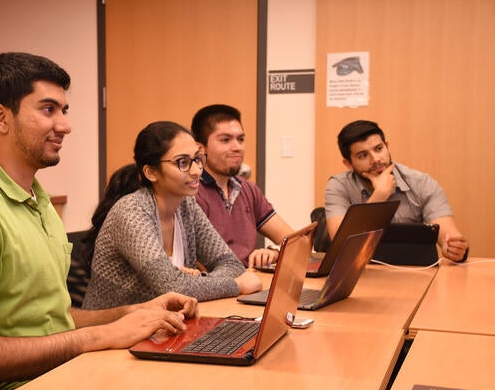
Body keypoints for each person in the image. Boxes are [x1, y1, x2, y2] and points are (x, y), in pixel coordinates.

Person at [0, 52, 198, 390]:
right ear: (0, 117)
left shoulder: (38, 200)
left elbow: (52, 322)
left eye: (64, 111)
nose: (65, 125)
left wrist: (134, 313)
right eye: (48, 110)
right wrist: (104, 336)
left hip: (65, 375)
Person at [81, 121, 262, 310]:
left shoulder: (187, 205)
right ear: (151, 172)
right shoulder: (131, 212)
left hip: (165, 325)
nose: (196, 171)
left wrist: (200, 280)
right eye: (182, 162)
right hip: (113, 332)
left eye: (197, 159)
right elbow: (172, 286)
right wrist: (236, 285)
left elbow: (230, 263)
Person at [324, 119, 470, 262]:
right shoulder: (338, 186)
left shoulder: (421, 183)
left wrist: (454, 248)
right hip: (360, 275)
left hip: (414, 275)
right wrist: (379, 196)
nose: (375, 159)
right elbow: (341, 244)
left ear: (387, 146)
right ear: (348, 163)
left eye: (378, 149)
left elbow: (449, 235)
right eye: (363, 155)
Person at [191, 104, 295, 268]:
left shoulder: (247, 189)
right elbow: (193, 263)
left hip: (252, 284)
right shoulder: (191, 192)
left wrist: (273, 252)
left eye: (240, 139)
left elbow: (293, 241)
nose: (237, 147)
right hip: (218, 289)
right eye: (225, 140)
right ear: (200, 148)